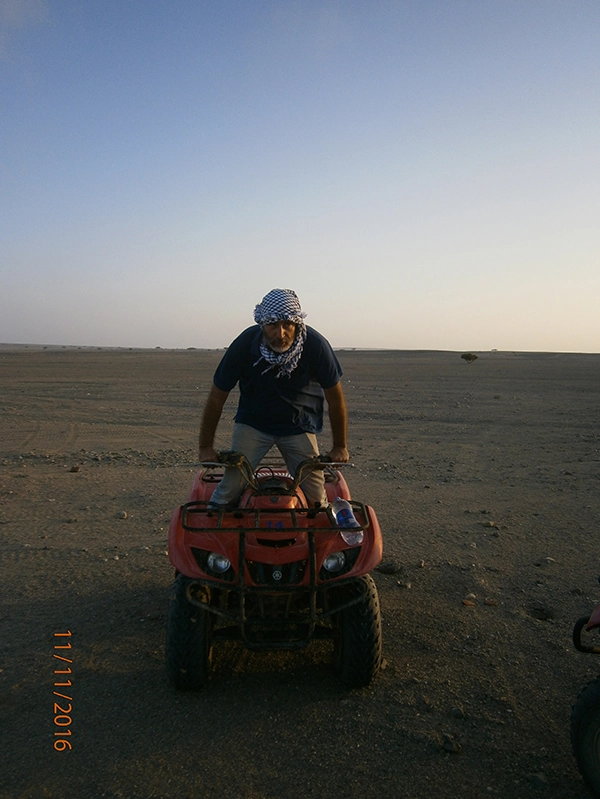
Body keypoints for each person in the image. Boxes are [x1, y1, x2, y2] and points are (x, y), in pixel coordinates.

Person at [198, 288, 349, 508]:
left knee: (317, 498)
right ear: (262, 325)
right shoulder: (245, 344)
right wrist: (205, 447)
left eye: (287, 324)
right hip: (254, 424)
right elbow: (216, 397)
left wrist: (340, 446)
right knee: (228, 490)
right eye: (272, 325)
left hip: (299, 426)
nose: (281, 333)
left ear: (297, 323)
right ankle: (211, 537)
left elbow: (335, 398)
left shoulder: (315, 345)